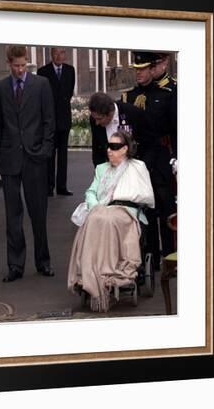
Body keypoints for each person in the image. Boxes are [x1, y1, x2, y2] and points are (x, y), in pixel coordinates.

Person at [68, 131, 155, 312]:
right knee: (96, 217)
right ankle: (91, 273)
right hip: (102, 209)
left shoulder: (137, 167)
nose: (109, 150)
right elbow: (91, 192)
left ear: (125, 149)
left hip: (126, 211)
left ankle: (106, 272)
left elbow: (146, 195)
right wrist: (95, 206)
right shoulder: (101, 168)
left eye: (115, 147)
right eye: (109, 146)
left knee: (105, 219)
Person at [0, 45, 55, 282]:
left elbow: (49, 120)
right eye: (16, 66)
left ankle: (43, 262)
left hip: (36, 157)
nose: (20, 70)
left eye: (23, 65)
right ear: (9, 63)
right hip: (10, 159)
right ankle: (15, 265)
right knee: (13, 215)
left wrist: (46, 150)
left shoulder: (41, 85)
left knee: (38, 212)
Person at [121, 51, 177, 269]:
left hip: (161, 159)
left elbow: (174, 127)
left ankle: (170, 259)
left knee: (165, 209)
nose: (139, 73)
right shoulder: (130, 96)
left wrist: (176, 157)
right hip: (139, 159)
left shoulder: (166, 93)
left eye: (143, 69)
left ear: (152, 69)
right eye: (136, 69)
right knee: (146, 211)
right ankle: (151, 257)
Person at [37, 47, 76, 196]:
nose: (59, 56)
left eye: (62, 53)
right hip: (49, 119)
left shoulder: (70, 70)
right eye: (56, 53)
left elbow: (69, 92)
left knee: (63, 154)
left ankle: (62, 186)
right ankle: (49, 186)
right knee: (50, 154)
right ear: (51, 55)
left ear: (64, 54)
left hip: (64, 118)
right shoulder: (43, 72)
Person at [89, 91, 157, 168]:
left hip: (135, 167)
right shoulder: (94, 119)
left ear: (110, 113)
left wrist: (144, 167)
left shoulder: (133, 113)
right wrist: (100, 171)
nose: (97, 123)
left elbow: (150, 143)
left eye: (99, 119)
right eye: (95, 119)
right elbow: (97, 149)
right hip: (110, 169)